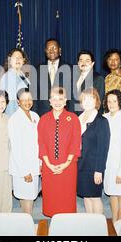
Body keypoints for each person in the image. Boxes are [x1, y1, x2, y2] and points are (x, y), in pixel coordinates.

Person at [38, 87, 81, 217]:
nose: (57, 102)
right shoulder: (44, 119)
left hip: (68, 166)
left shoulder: (73, 118)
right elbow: (42, 143)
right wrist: (49, 164)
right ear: (50, 101)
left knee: (66, 197)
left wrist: (66, 164)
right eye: (54, 99)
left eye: (61, 99)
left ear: (66, 101)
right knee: (52, 197)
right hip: (48, 165)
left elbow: (75, 143)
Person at [77, 88, 110, 214]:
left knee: (95, 197)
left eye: (91, 98)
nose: (87, 101)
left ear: (96, 101)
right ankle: (91, 224)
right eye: (85, 99)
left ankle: (100, 226)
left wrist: (99, 170)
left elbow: (103, 148)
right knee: (86, 197)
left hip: (93, 167)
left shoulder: (101, 121)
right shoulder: (78, 119)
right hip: (81, 165)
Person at [8, 88, 41, 214]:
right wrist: (24, 171)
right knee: (26, 198)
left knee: (30, 196)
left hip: (34, 164)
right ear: (18, 102)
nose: (27, 102)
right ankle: (28, 226)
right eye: (23, 100)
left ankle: (26, 223)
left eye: (29, 99)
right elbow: (16, 148)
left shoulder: (35, 116)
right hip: (23, 168)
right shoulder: (14, 119)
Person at [103, 90, 121, 222]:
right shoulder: (104, 117)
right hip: (109, 164)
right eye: (109, 101)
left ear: (120, 102)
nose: (111, 104)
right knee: (112, 194)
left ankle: (120, 223)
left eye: (114, 101)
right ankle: (115, 221)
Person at [34, 38, 72, 116]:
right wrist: (34, 116)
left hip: (64, 114)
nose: (51, 50)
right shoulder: (38, 69)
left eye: (54, 48)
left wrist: (70, 115)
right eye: (48, 48)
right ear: (45, 51)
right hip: (43, 115)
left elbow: (72, 96)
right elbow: (35, 96)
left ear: (60, 50)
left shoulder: (69, 68)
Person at [71, 50, 105, 114]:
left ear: (92, 64)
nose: (84, 63)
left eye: (87, 61)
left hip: (88, 116)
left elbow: (98, 103)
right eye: (81, 60)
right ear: (78, 63)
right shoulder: (73, 77)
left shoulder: (98, 78)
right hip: (73, 117)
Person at [0, 48, 31, 116]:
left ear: (24, 60)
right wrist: (13, 119)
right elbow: (10, 102)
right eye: (14, 58)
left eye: (20, 57)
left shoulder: (24, 75)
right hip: (14, 116)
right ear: (9, 61)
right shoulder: (7, 77)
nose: (17, 60)